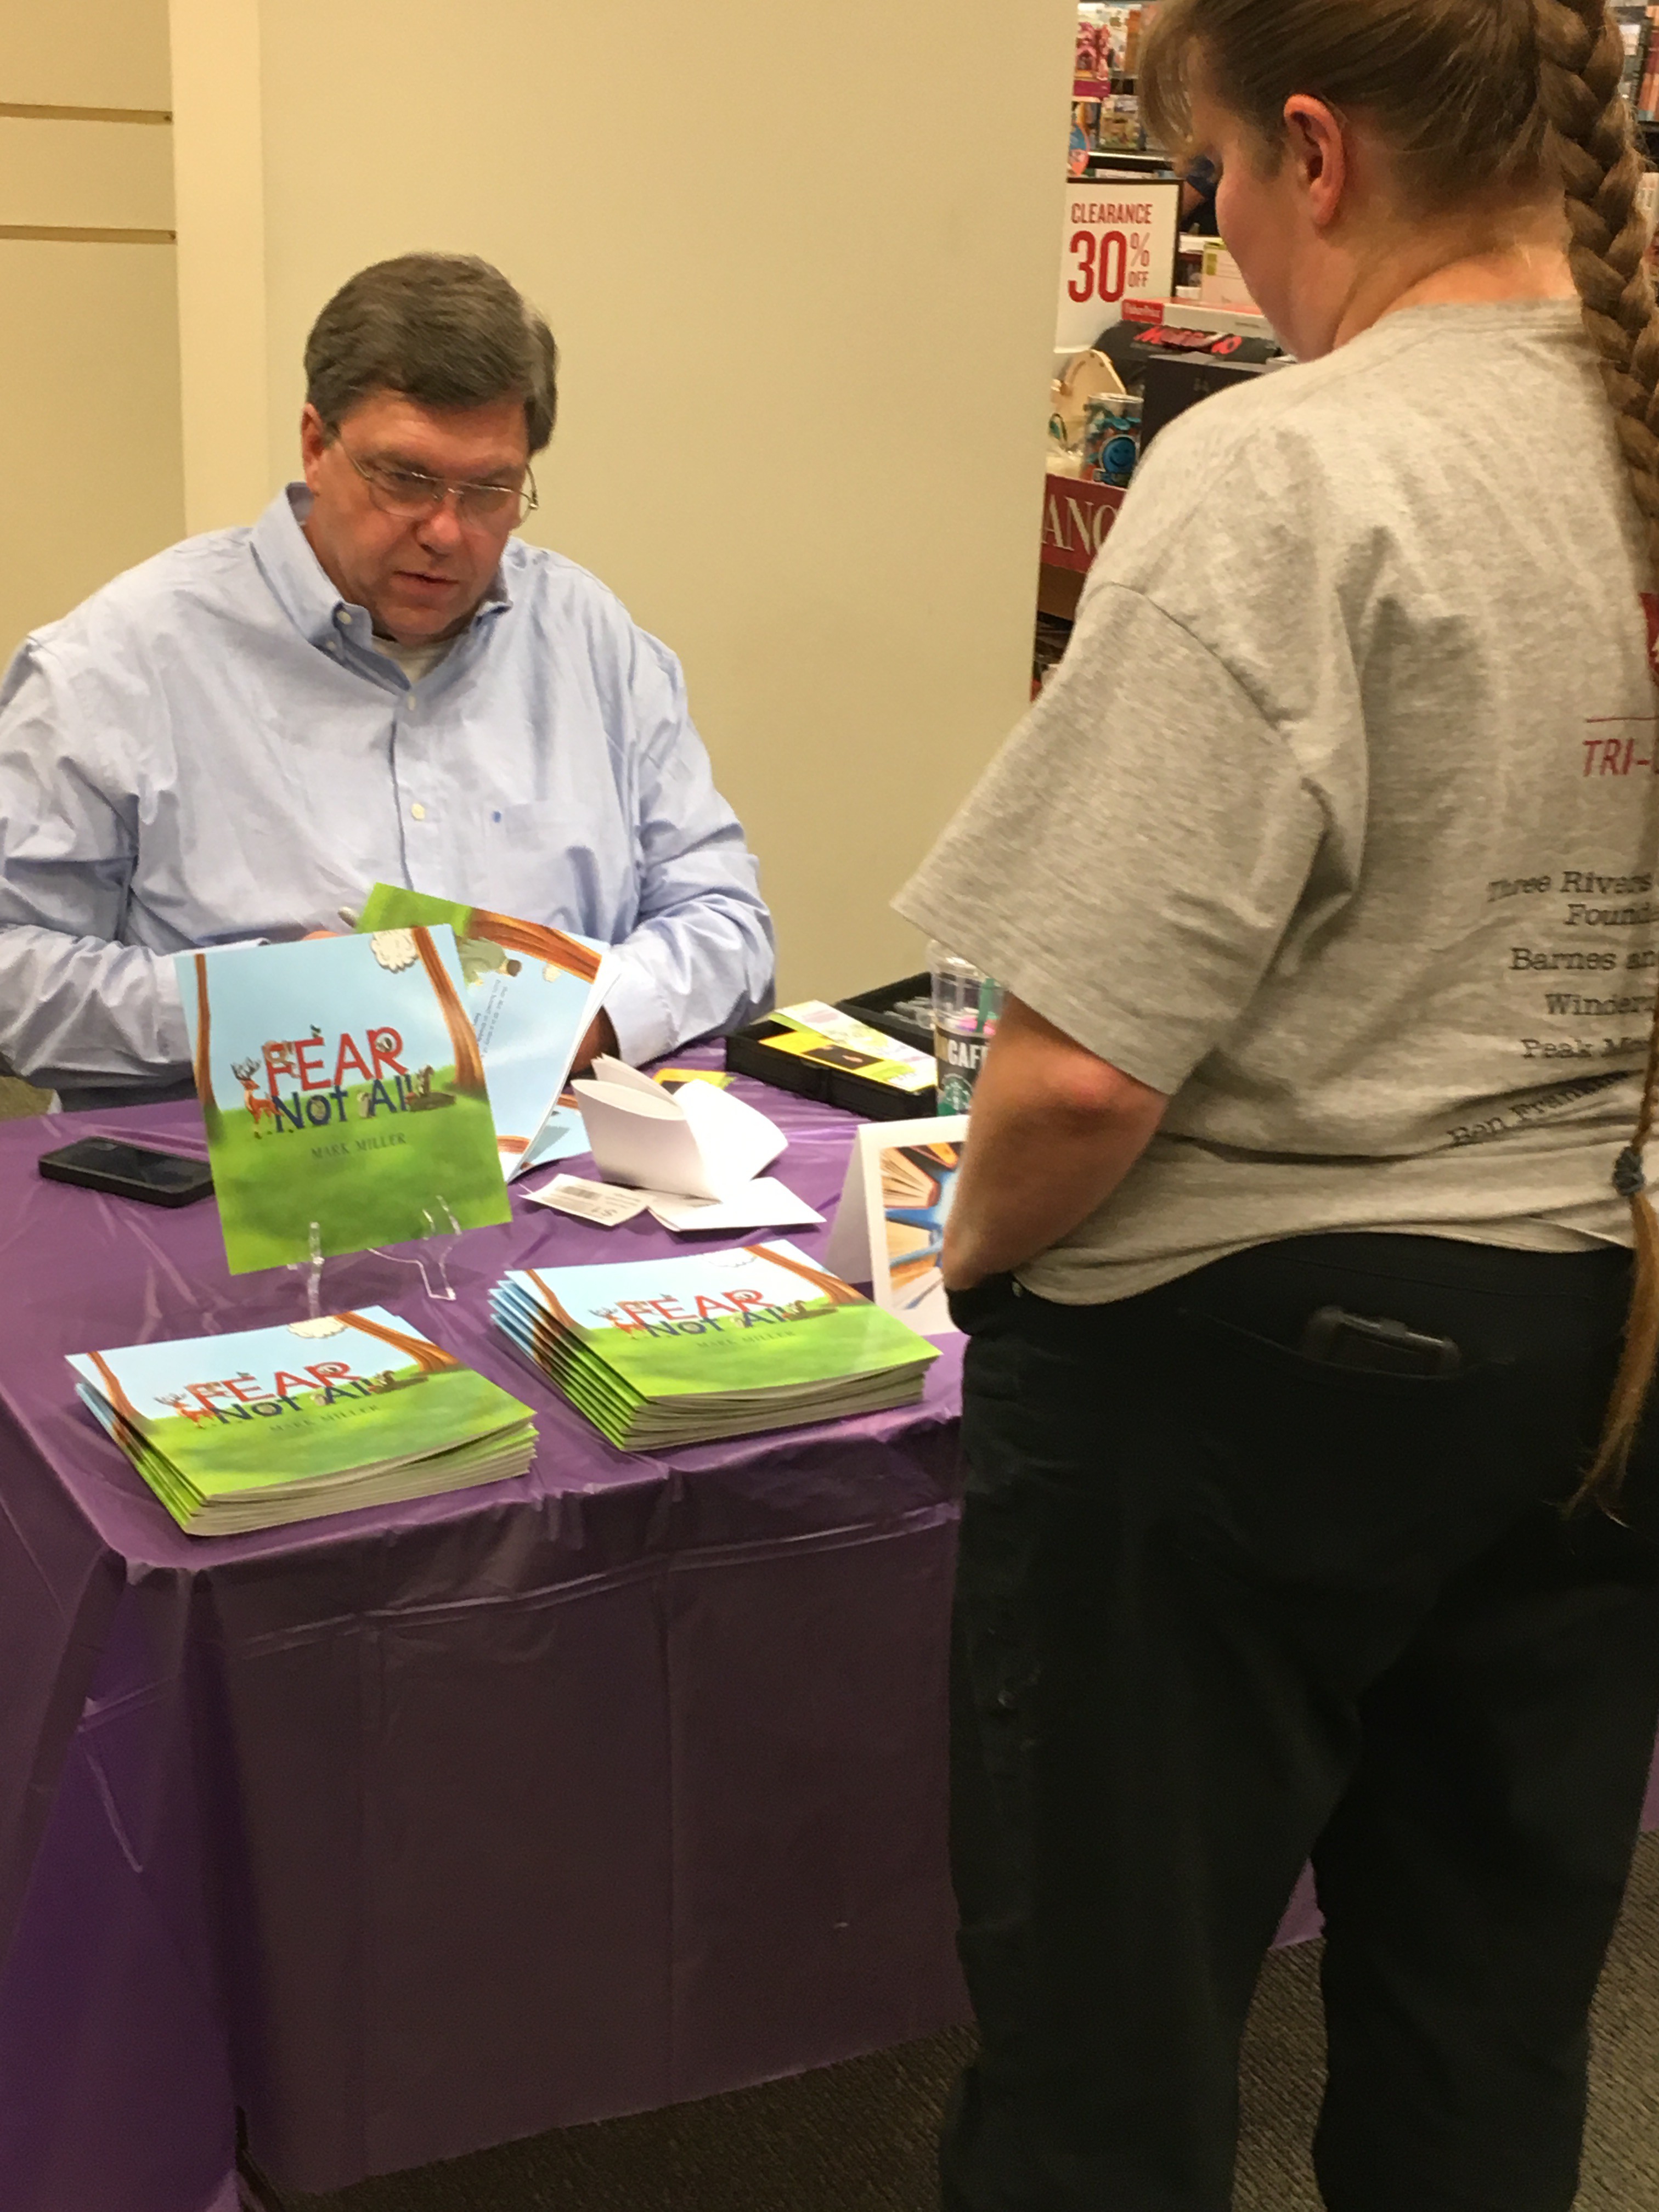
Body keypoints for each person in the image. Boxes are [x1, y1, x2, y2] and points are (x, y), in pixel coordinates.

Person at [896, 3, 1659, 2208]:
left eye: (1215, 175)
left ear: (1313, 154)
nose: (1219, 232)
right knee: (1482, 2046)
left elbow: (1079, 1070)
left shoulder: (1296, 463)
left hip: (1239, 1376)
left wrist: (974, 1258)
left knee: (1104, 2072)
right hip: (1597, 1351)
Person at [0, 253, 774, 1109]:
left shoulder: (593, 641)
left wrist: (593, 1013)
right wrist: (252, 1012)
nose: (446, 531)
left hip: (570, 1179)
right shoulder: (114, 664)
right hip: (223, 1202)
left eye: (490, 489)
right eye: (405, 478)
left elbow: (729, 926)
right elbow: (11, 973)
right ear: (314, 445)